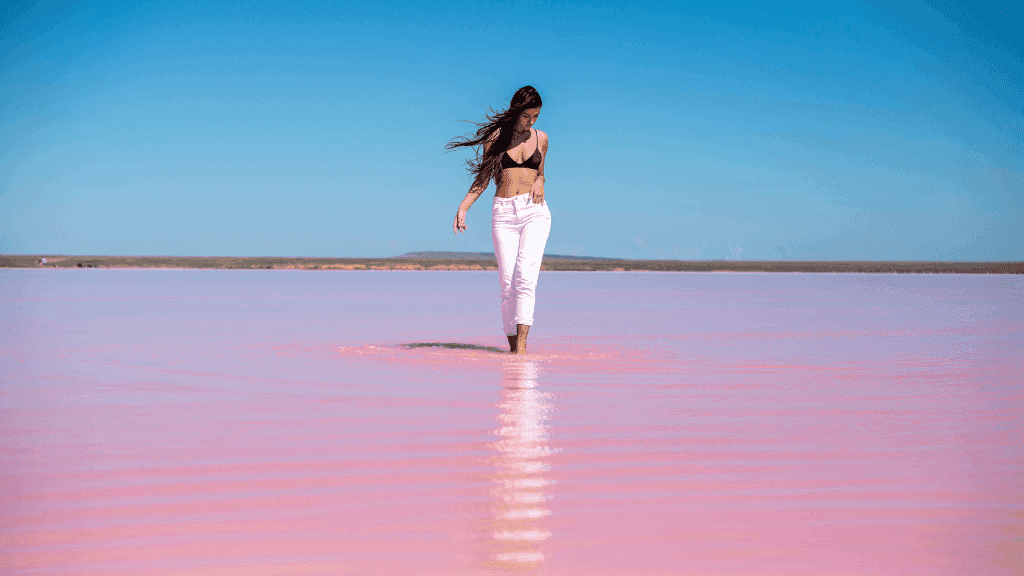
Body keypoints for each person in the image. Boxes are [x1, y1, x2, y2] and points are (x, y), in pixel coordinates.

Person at [447, 86, 551, 354]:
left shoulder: (541, 139)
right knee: (508, 285)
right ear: (516, 112)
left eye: (536, 116)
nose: (531, 122)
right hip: (503, 213)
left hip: (534, 211)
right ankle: (512, 348)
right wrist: (463, 207)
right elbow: (483, 178)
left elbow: (540, 172)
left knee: (525, 279)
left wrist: (540, 180)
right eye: (526, 116)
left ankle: (522, 350)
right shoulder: (495, 139)